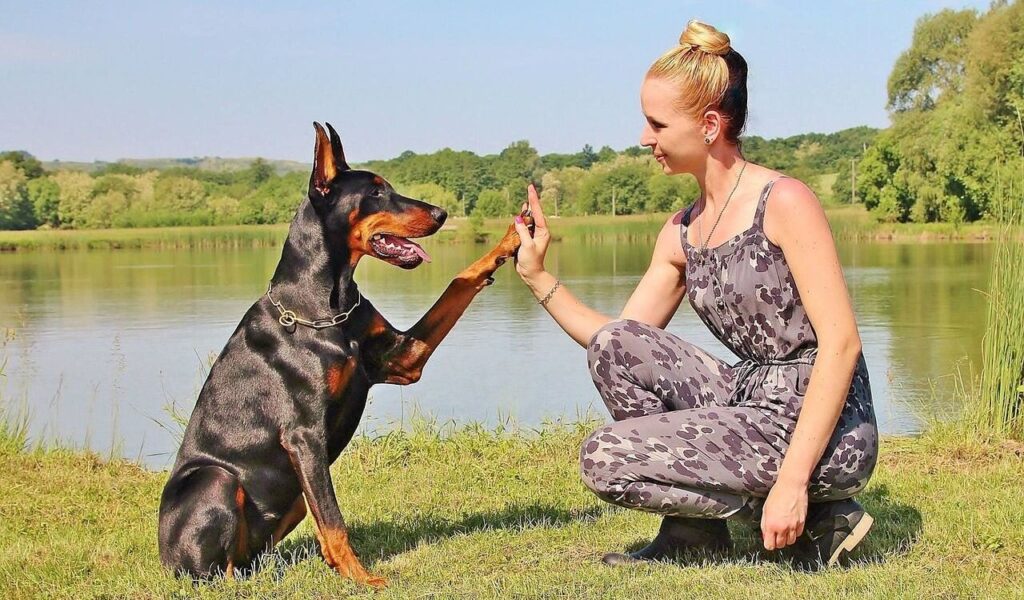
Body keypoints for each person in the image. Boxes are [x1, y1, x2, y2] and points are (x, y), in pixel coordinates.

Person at [511, 20, 878, 568]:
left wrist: (792, 482)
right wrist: (539, 276)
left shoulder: (785, 201)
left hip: (824, 423)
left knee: (604, 458)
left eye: (656, 123)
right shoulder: (681, 231)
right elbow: (618, 339)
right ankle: (694, 534)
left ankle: (812, 509)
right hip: (750, 398)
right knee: (615, 346)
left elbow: (842, 345)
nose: (643, 137)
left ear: (709, 125)